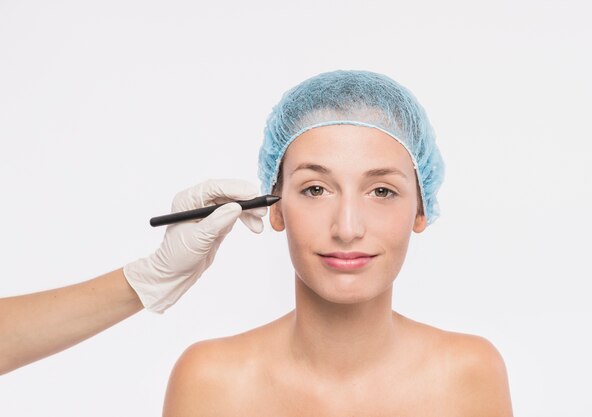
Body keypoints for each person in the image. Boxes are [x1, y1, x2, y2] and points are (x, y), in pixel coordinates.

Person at [162, 70, 514, 416]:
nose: (347, 228)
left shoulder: (469, 376)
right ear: (276, 206)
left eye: (381, 191)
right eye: (315, 189)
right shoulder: (209, 383)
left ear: (420, 210)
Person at [0, 179, 267, 375]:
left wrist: (149, 278)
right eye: (310, 189)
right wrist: (152, 276)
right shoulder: (208, 375)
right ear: (277, 211)